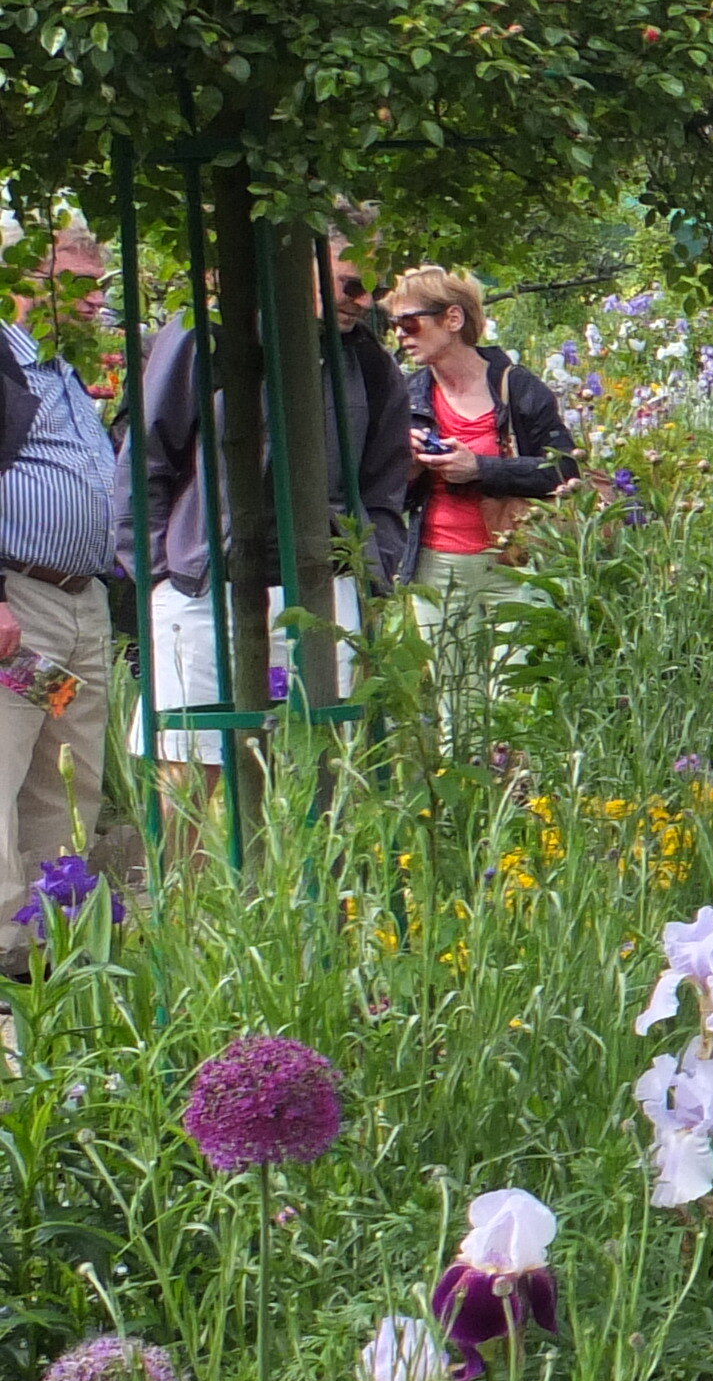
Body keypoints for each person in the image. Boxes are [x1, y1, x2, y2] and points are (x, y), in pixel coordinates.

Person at [134, 236, 412, 806]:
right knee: (191, 773)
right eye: (349, 284)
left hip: (322, 591)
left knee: (324, 767)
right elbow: (147, 456)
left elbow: (385, 482)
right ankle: (191, 897)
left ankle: (316, 897)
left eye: (377, 290)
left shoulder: (368, 363)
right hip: (205, 584)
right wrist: (161, 565)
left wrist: (373, 571)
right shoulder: (204, 335)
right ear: (294, 266)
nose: (364, 302)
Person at [388, 266, 576, 742]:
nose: (401, 336)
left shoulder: (517, 387)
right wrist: (408, 466)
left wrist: (482, 468)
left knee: (517, 705)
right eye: (393, 325)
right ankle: (469, 814)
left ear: (453, 318)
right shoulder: (407, 395)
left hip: (513, 562)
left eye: (409, 323)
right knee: (458, 711)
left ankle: (521, 807)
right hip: (436, 566)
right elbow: (389, 494)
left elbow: (564, 470)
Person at [0, 281, 127, 929]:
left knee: (65, 772)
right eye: (76, 284)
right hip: (20, 608)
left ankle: (49, 943)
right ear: (26, 280)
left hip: (81, 605)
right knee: (3, 765)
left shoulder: (67, 371)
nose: (92, 300)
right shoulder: (3, 360)